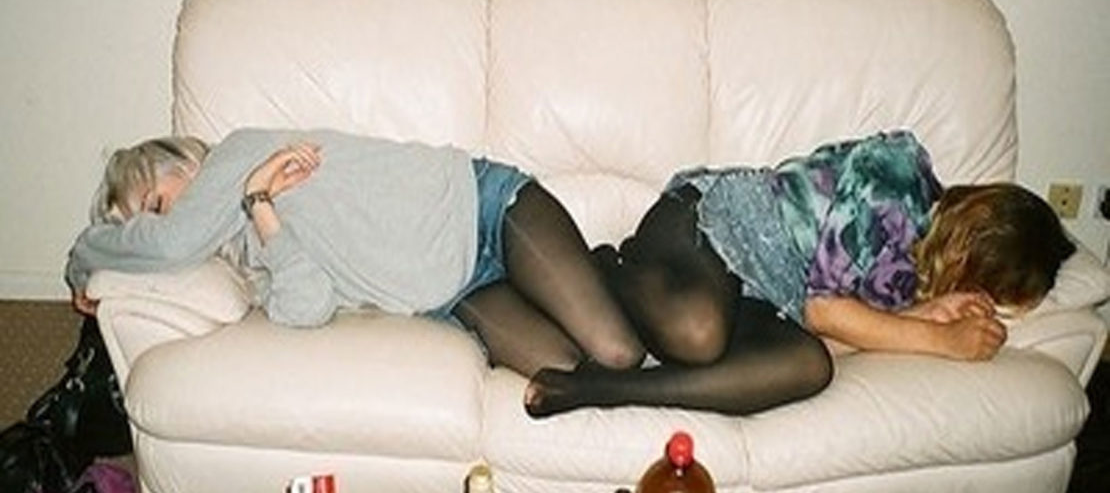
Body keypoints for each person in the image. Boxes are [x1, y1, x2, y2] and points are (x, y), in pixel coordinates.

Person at [522, 131, 1077, 418]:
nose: (977, 301)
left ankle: (602, 390)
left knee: (809, 366)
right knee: (697, 333)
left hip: (755, 300)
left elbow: (824, 336)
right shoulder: (898, 176)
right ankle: (609, 268)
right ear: (972, 243)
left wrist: (924, 316)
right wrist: (939, 339)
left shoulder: (908, 286)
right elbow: (823, 308)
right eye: (983, 286)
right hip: (711, 227)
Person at [65, 128, 646, 378]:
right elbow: (308, 305)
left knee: (617, 352)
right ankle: (596, 272)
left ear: (180, 162)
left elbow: (169, 244)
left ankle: (610, 273)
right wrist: (260, 205)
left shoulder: (234, 154)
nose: (160, 225)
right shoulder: (245, 242)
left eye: (155, 203)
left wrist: (84, 259)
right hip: (459, 292)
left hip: (485, 208)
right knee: (568, 370)